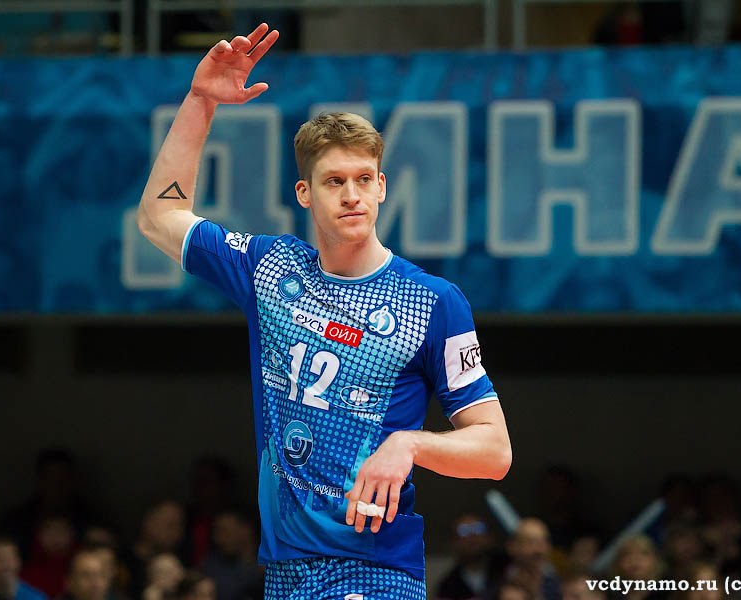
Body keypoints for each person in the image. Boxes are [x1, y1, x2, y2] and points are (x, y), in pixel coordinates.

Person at [136, 22, 511, 599]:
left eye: (363, 179)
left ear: (382, 186)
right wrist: (201, 100)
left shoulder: (433, 301)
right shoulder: (270, 269)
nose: (352, 195)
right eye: (334, 181)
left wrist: (410, 444)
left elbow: (494, 450)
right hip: (285, 572)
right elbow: (159, 217)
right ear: (305, 193)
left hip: (374, 568)